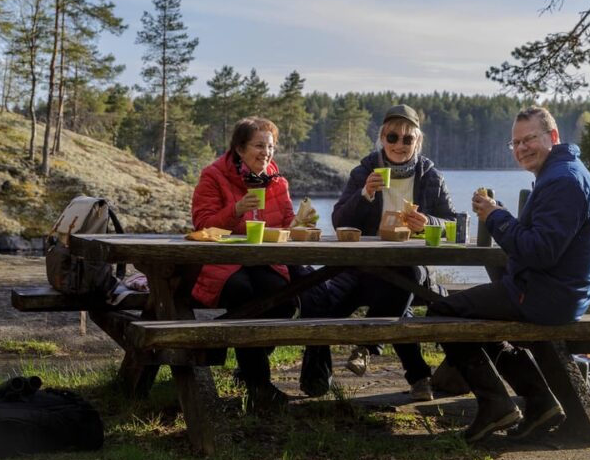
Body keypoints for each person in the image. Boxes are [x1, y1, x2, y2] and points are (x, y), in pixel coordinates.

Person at [428, 106, 590, 442]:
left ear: (552, 137)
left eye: (530, 139)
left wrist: (497, 217)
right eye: (516, 143)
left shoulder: (563, 181)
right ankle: (539, 402)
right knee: (477, 316)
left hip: (548, 296)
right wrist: (504, 218)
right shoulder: (564, 173)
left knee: (441, 312)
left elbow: (539, 251)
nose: (522, 148)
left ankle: (497, 405)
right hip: (557, 290)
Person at [300, 104, 457, 400]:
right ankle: (418, 376)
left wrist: (428, 223)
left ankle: (369, 345)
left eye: (407, 139)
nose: (399, 145)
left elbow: (452, 225)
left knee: (405, 276)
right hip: (363, 268)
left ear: (417, 142)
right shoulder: (364, 171)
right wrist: (365, 195)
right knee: (337, 305)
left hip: (413, 267)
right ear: (382, 139)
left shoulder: (430, 176)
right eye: (392, 137)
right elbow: (339, 222)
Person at [191, 117, 312, 413]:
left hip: (264, 262)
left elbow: (284, 225)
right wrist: (234, 211)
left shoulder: (277, 181)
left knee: (283, 300)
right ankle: (259, 386)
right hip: (223, 262)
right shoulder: (213, 176)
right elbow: (202, 225)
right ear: (240, 148)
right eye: (259, 145)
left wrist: (299, 224)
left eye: (270, 146)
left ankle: (246, 363)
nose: (266, 153)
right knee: (243, 294)